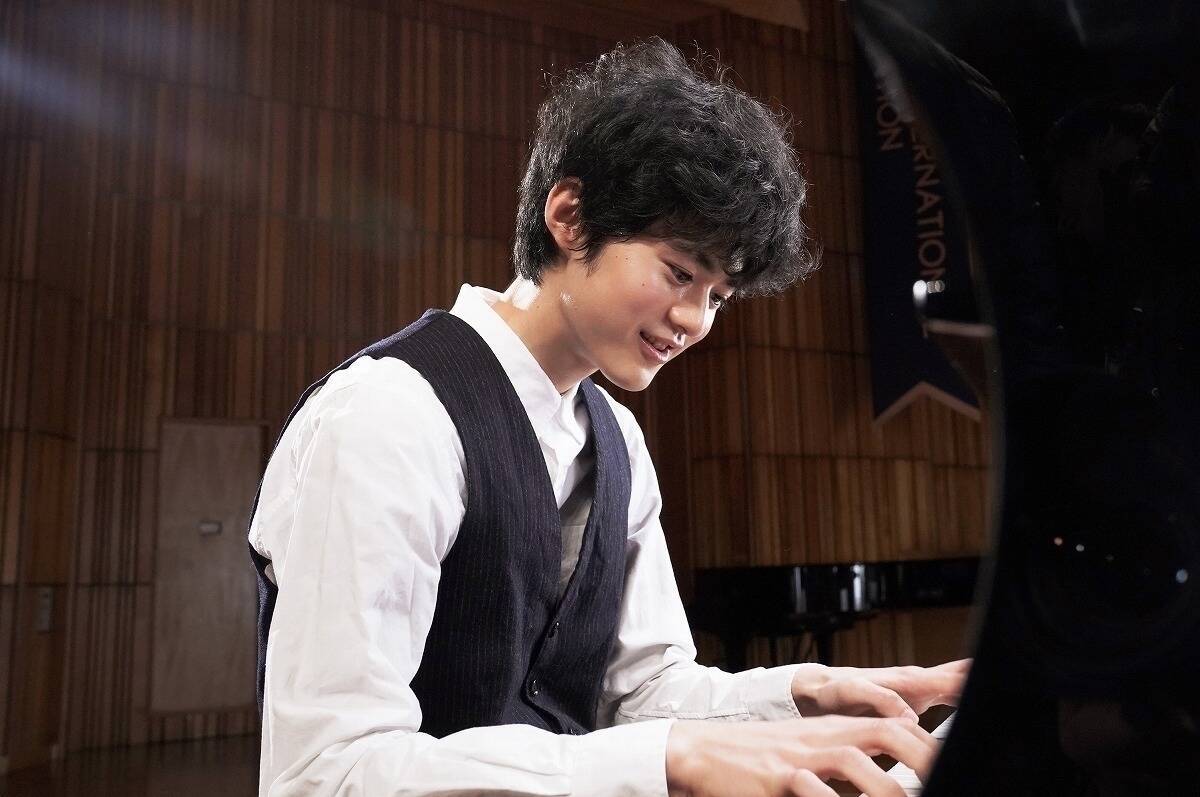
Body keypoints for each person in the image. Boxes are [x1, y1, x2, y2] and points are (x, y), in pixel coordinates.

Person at [248, 37, 967, 797]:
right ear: (570, 215)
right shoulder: (389, 412)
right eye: (680, 272)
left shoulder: (618, 437)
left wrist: (813, 694)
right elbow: (325, 773)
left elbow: (645, 695)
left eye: (718, 297)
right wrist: (665, 760)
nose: (694, 320)